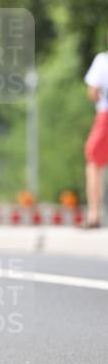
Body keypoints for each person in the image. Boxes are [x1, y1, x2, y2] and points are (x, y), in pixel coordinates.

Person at [84, 31, 108, 228]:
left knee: (94, 163)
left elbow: (92, 92)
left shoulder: (102, 60)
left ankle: (94, 214)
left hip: (105, 116)